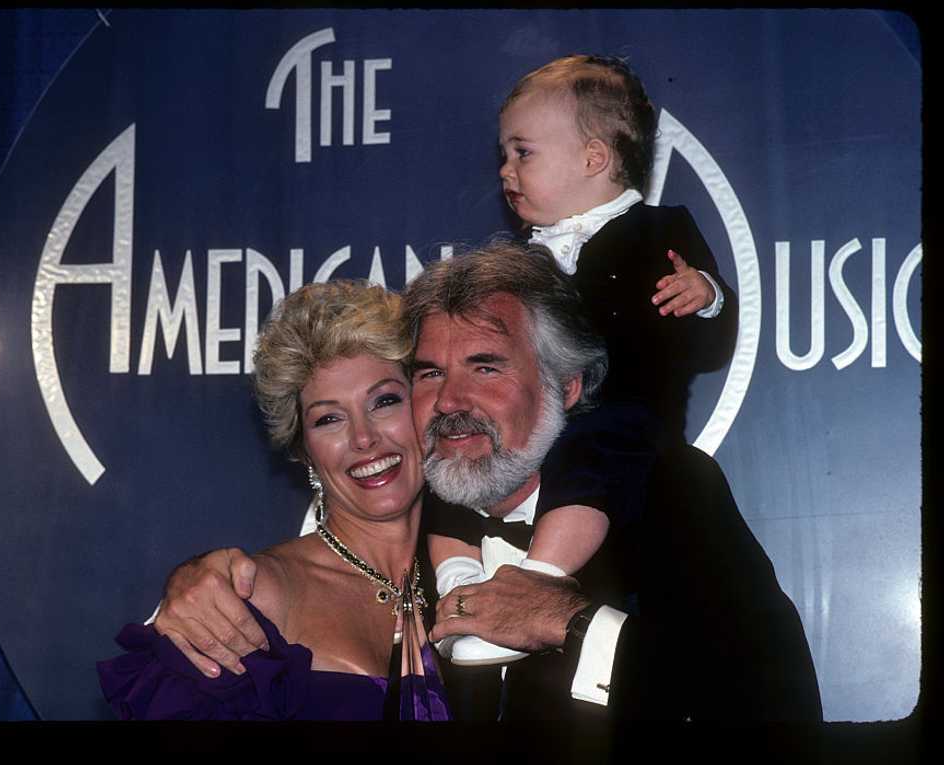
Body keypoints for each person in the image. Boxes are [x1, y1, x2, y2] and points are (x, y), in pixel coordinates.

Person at [154, 242, 821, 724]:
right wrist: (194, 580)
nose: (450, 400)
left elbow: (775, 708)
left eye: (486, 366)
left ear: (566, 386)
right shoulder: (397, 540)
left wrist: (574, 624)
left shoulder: (668, 491)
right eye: (426, 373)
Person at [426, 54, 742, 665]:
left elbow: (710, 341)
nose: (505, 170)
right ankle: (462, 585)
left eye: (524, 153)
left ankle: (535, 582)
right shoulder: (522, 261)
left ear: (594, 159)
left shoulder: (659, 229)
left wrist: (705, 295)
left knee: (592, 447)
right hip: (546, 427)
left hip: (623, 424)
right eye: (505, 155)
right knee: (454, 441)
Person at [97, 280, 449, 721]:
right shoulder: (252, 597)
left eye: (384, 401)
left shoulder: (479, 569)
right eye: (329, 419)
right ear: (303, 450)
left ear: (425, 407)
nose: (364, 438)